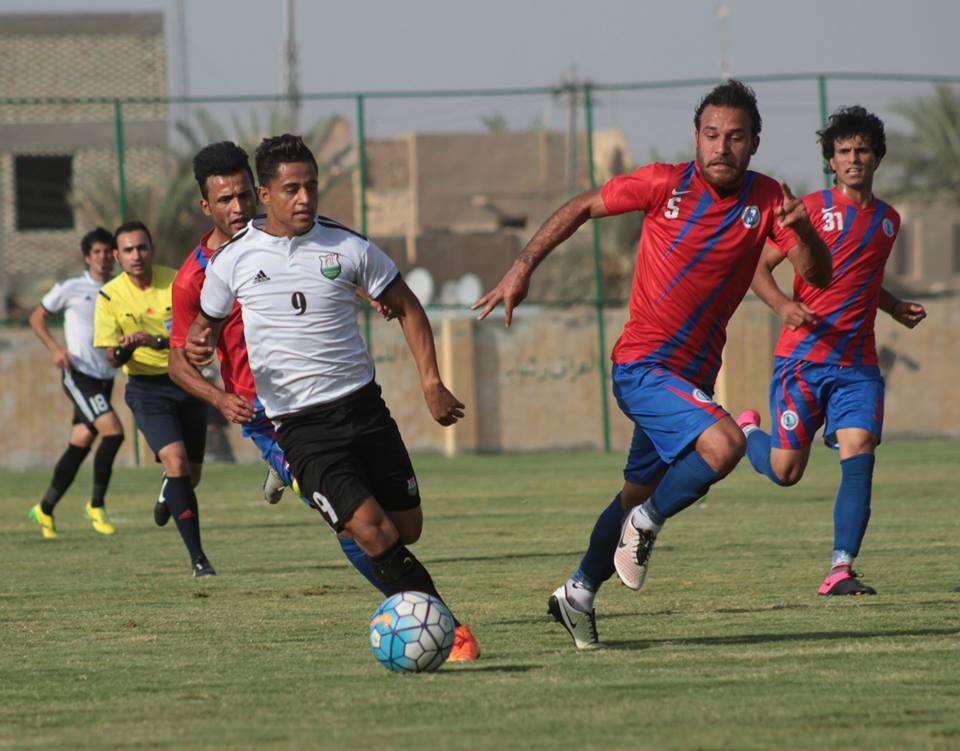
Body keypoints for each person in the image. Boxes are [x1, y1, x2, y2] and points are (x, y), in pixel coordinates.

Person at [473, 80, 833, 650]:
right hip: (642, 367)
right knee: (725, 445)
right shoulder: (663, 183)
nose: (722, 147)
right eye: (712, 135)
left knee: (633, 493)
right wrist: (523, 265)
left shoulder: (770, 202)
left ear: (754, 143)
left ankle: (578, 592)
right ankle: (646, 526)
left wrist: (805, 230)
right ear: (697, 136)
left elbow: (818, 277)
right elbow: (583, 206)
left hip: (685, 382)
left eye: (736, 137)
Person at [189, 134, 480, 660]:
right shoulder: (232, 261)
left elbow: (409, 307)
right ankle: (446, 629)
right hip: (301, 426)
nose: (305, 199)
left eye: (311, 187)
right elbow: (205, 325)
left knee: (405, 528)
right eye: (291, 189)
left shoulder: (347, 247)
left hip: (365, 409)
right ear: (266, 194)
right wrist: (200, 342)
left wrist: (431, 382)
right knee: (371, 531)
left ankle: (417, 602)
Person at [167, 139, 389, 593]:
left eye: (244, 195)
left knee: (379, 513)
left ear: (260, 192)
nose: (237, 207)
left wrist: (366, 291)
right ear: (205, 204)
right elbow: (177, 363)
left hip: (324, 401)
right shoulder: (195, 277)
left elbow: (329, 273)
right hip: (266, 415)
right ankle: (411, 605)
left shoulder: (293, 241)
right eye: (225, 200)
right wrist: (219, 398)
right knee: (348, 521)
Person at [737, 106, 926, 596]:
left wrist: (893, 306)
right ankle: (748, 433)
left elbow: (862, 280)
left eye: (862, 150)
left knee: (860, 447)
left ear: (877, 158)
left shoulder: (888, 221)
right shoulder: (812, 210)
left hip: (858, 363)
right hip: (801, 360)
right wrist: (783, 307)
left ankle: (840, 567)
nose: (854, 158)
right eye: (844, 151)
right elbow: (758, 269)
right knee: (786, 471)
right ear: (832, 161)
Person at [93, 220, 216, 577]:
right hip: (147, 389)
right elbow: (110, 358)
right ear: (117, 256)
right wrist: (124, 350)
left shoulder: (177, 282)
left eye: (142, 248)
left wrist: (154, 341)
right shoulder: (109, 296)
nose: (136, 256)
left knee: (190, 476)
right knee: (175, 463)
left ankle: (168, 492)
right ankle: (198, 559)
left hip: (186, 379)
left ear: (152, 249)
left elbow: (193, 335)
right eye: (128, 250)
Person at [27, 228, 125, 538]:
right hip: (78, 374)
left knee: (80, 443)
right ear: (87, 257)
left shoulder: (120, 290)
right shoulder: (71, 288)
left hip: (105, 376)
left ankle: (44, 509)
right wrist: (56, 350)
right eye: (97, 251)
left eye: (108, 251)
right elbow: (36, 317)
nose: (103, 256)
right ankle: (96, 505)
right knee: (114, 433)